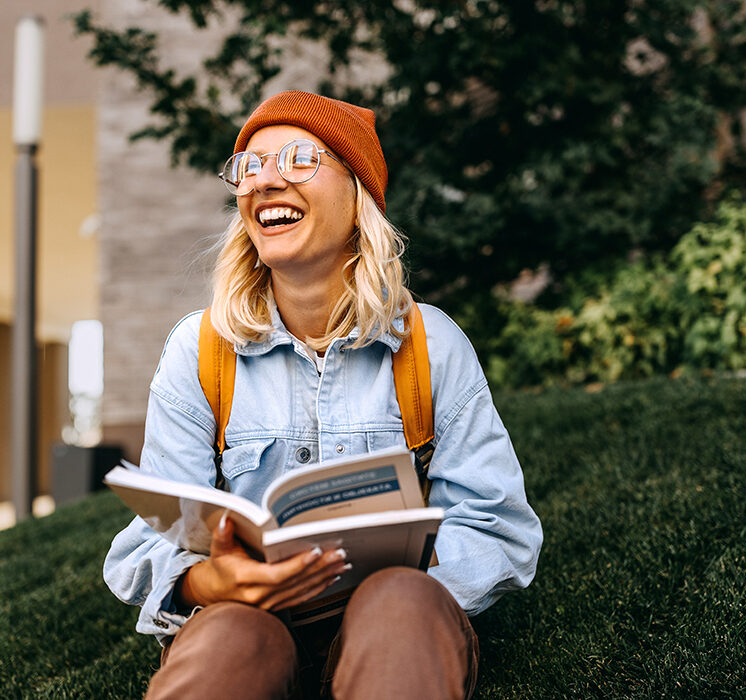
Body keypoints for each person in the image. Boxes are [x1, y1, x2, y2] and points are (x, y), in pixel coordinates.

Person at [104, 90, 542, 700]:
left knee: (400, 604)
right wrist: (210, 584)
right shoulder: (198, 350)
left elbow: (497, 528)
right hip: (250, 620)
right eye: (250, 168)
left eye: (299, 159)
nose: (265, 182)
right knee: (231, 637)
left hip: (394, 622)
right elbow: (151, 543)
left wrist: (400, 570)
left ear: (357, 189)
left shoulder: (429, 344)